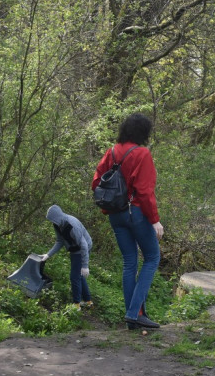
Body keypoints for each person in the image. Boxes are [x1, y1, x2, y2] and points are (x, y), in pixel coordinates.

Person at [92, 113, 163, 330]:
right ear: (143, 132)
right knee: (152, 257)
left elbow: (96, 182)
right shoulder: (142, 154)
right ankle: (134, 313)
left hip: (116, 214)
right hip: (137, 213)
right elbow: (144, 191)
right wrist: (155, 221)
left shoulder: (111, 151)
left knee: (129, 262)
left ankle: (134, 317)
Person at [39, 205, 93, 306]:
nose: (52, 222)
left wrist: (85, 266)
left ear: (58, 217)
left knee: (74, 276)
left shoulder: (71, 225)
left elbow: (84, 245)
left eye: (53, 220)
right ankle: (88, 301)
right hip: (74, 248)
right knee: (79, 275)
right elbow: (60, 241)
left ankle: (76, 304)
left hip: (83, 248)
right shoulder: (57, 225)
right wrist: (48, 255)